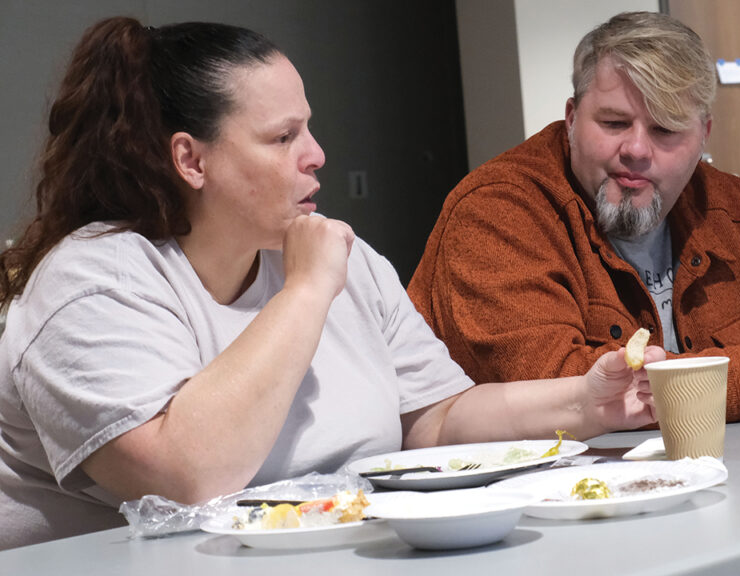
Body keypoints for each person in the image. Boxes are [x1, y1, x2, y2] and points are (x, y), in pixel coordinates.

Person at [0, 17, 661, 550]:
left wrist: (584, 404)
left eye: (308, 129)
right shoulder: (92, 281)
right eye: (283, 137)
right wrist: (306, 292)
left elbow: (435, 418)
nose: (316, 154)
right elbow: (186, 479)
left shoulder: (343, 259)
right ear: (191, 159)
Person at [408, 11, 740, 424]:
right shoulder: (496, 213)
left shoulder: (734, 209)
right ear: (571, 118)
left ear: (704, 135)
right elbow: (561, 392)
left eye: (666, 130)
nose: (636, 150)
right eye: (613, 123)